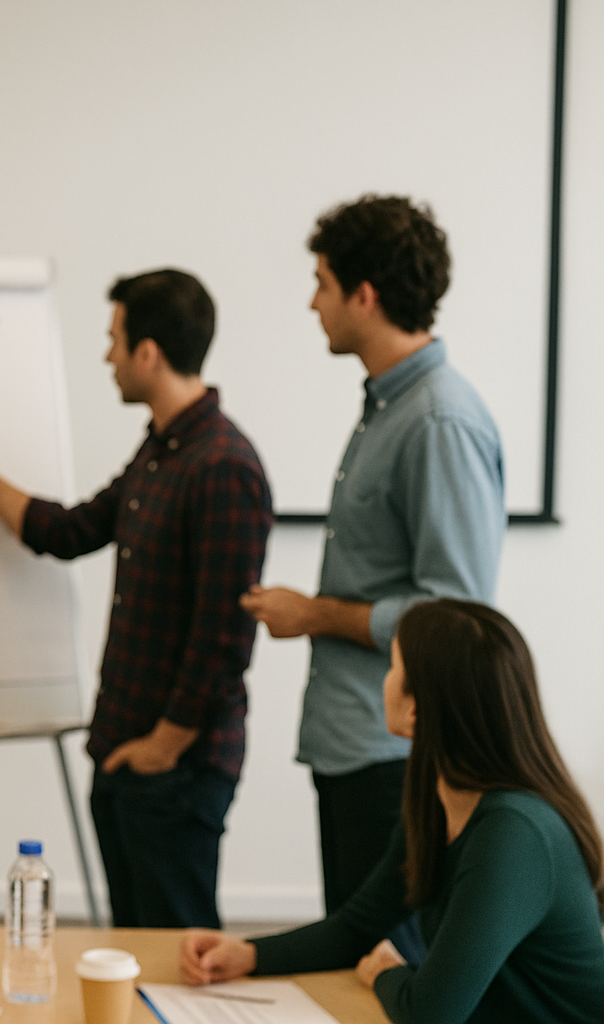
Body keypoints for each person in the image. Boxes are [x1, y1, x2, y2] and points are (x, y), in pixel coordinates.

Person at [0, 269, 272, 928]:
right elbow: (65, 531)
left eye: (114, 339)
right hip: (124, 754)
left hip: (175, 769)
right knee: (135, 949)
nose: (106, 355)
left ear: (148, 353)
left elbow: (225, 637)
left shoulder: (223, 465)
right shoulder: (161, 454)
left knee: (176, 956)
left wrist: (164, 745)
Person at [241, 196, 505, 950]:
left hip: (396, 757)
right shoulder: (390, 408)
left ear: (365, 295)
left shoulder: (437, 419)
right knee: (355, 966)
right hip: (356, 746)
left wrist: (314, 613)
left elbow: (454, 611)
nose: (311, 301)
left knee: (392, 975)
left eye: (322, 282)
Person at [181, 600, 604, 1023]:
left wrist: (387, 973)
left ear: (418, 707)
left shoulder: (513, 834)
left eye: (393, 667)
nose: (383, 681)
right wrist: (249, 953)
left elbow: (429, 1015)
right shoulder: (437, 799)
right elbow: (358, 925)